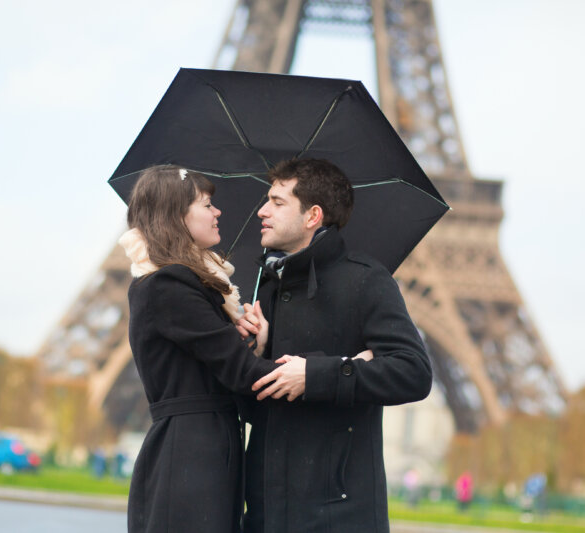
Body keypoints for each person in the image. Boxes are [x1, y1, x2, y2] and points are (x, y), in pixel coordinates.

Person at [237, 158, 433, 533]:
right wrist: (256, 354)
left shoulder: (367, 281)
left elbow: (415, 373)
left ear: (313, 216)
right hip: (264, 512)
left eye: (277, 202)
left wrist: (316, 375)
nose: (262, 210)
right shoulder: (268, 286)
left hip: (338, 517)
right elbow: (255, 408)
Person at [120, 165, 304, 533]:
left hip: (200, 447)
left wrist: (252, 340)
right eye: (206, 204)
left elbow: (214, 365)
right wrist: (333, 371)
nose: (217, 212)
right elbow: (242, 374)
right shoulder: (170, 284)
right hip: (193, 455)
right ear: (176, 215)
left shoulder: (182, 284)